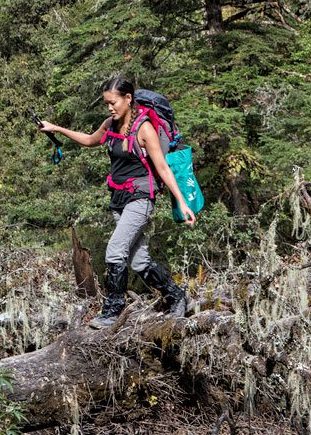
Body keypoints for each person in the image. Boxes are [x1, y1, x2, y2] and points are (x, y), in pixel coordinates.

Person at [39, 77, 196, 328]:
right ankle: (178, 297)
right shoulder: (110, 124)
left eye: (113, 103)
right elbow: (90, 139)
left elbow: (163, 168)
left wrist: (182, 202)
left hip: (141, 199)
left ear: (128, 99)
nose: (110, 108)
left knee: (115, 251)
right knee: (139, 261)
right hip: (119, 199)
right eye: (106, 104)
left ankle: (112, 312)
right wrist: (56, 128)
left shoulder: (144, 129)